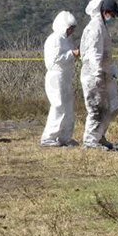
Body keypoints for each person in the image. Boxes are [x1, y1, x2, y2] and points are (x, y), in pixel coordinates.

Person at [80, 0, 118, 150]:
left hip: (103, 74)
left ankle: (99, 136)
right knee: (96, 108)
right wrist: (97, 74)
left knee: (112, 106)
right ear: (105, 12)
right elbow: (94, 53)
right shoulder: (95, 28)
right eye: (111, 14)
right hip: (94, 75)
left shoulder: (101, 26)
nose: (112, 18)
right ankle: (90, 141)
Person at [40, 11, 80, 147]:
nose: (71, 31)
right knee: (58, 106)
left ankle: (65, 137)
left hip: (65, 76)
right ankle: (48, 137)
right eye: (69, 29)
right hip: (56, 76)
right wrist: (72, 54)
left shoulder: (65, 40)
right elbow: (55, 59)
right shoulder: (55, 39)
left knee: (68, 107)